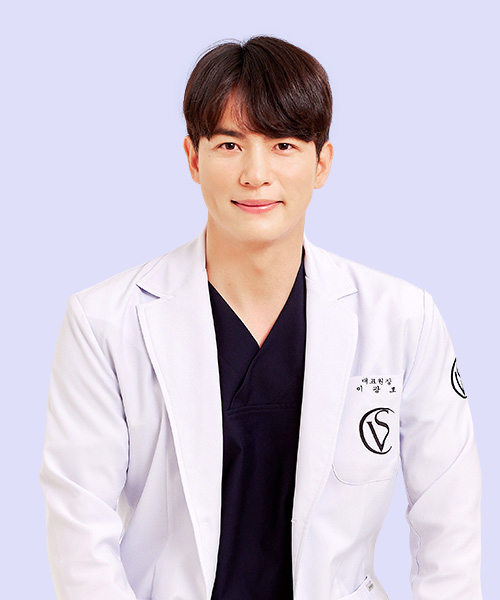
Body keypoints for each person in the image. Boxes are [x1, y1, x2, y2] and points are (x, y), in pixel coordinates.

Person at [40, 36, 482, 600]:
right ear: (193, 158)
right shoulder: (104, 321)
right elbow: (80, 532)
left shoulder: (403, 318)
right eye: (229, 144)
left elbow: (449, 524)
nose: (255, 173)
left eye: (283, 145)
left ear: (321, 163)